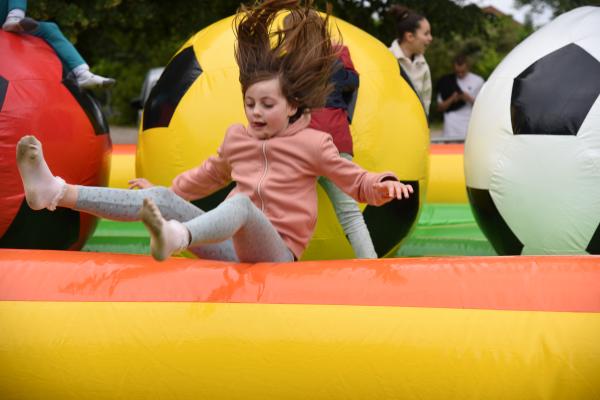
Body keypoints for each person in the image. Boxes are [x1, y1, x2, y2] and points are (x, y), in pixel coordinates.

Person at [15, 0, 413, 264]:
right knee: (157, 198)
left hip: (277, 254)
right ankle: (55, 193)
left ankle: (177, 237)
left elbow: (355, 181)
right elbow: (206, 175)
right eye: (250, 103)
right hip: (230, 249)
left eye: (268, 105)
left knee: (241, 207)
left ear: (293, 106)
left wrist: (384, 185)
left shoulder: (313, 142)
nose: (256, 113)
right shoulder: (237, 138)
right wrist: (165, 190)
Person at [309, 44, 377, 259]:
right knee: (351, 214)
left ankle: (276, 269)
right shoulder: (338, 53)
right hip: (336, 139)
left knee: (284, 212)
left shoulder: (288, 58)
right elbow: (352, 82)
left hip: (303, 142)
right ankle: (371, 265)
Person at [1, 0, 115, 88]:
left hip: (11, 23)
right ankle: (14, 18)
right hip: (8, 23)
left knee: (50, 29)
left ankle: (83, 74)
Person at [388, 4, 433, 116]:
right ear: (410, 37)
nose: (430, 38)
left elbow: (426, 102)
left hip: (414, 126)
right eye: (426, 33)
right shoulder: (386, 57)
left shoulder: (423, 65)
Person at [436, 54, 484, 140]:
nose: (460, 74)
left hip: (469, 122)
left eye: (463, 72)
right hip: (451, 123)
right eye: (457, 72)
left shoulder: (478, 81)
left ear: (468, 67)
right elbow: (440, 108)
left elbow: (483, 107)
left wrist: (468, 98)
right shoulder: (446, 81)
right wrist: (452, 99)